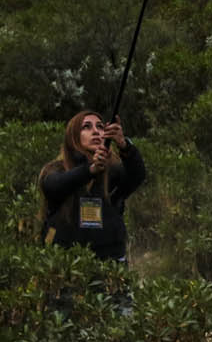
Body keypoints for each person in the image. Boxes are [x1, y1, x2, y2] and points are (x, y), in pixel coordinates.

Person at [39, 110, 147, 264]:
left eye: (100, 127)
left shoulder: (114, 171)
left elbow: (137, 175)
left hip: (110, 264)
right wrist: (90, 170)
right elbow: (54, 186)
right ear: (73, 136)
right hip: (66, 264)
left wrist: (124, 145)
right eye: (86, 127)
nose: (96, 131)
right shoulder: (56, 169)